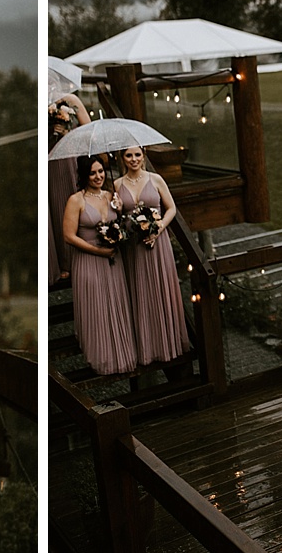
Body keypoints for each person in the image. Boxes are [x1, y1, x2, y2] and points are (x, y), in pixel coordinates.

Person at [114, 145, 189, 366]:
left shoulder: (156, 179)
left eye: (137, 154)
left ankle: (168, 343)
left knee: (160, 288)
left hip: (157, 244)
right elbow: (116, 219)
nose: (134, 159)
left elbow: (171, 208)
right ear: (123, 158)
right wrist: (117, 208)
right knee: (140, 291)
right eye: (129, 155)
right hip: (134, 247)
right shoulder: (117, 184)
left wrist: (158, 229)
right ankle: (146, 348)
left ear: (143, 156)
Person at [62, 155, 135, 376]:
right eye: (93, 173)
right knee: (97, 306)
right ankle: (101, 358)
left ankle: (121, 356)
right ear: (84, 175)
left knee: (116, 302)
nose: (98, 176)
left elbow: (122, 227)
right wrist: (97, 251)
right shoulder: (76, 200)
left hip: (113, 260)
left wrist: (120, 212)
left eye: (101, 171)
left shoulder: (112, 196)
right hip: (89, 259)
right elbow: (68, 236)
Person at [48, 92, 90, 280]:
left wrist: (67, 133)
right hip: (48, 157)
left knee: (69, 201)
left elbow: (88, 130)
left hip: (68, 158)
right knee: (54, 206)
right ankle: (61, 262)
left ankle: (77, 259)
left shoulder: (70, 100)